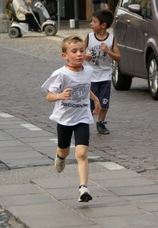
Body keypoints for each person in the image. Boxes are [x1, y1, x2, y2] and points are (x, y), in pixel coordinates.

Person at [41, 35, 100, 202]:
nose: (79, 54)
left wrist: (95, 100)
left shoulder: (88, 71)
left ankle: (83, 188)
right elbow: (49, 97)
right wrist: (60, 95)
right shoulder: (60, 74)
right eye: (74, 51)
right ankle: (60, 157)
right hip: (65, 119)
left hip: (82, 116)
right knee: (64, 150)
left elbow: (84, 88)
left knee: (81, 153)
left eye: (82, 50)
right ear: (65, 55)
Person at [84, 9, 121, 134]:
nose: (91, 24)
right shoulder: (89, 37)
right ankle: (85, 123)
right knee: (90, 102)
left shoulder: (111, 39)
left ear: (103, 25)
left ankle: (101, 123)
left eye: (94, 22)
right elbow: (80, 52)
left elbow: (118, 57)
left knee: (104, 101)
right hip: (91, 75)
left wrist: (108, 51)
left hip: (105, 75)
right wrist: (85, 56)